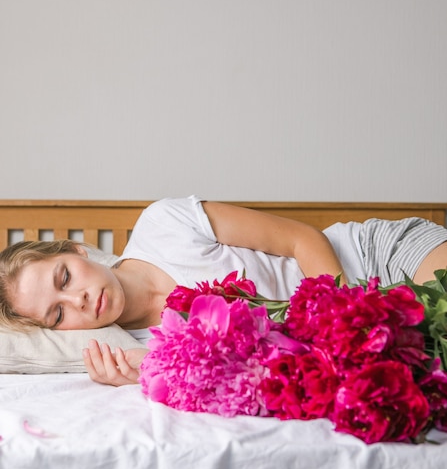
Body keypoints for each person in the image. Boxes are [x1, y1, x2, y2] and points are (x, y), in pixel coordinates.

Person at [1, 195, 447, 387]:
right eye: (58, 315)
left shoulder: (163, 224)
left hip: (372, 259)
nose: (77, 299)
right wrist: (147, 373)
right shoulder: (149, 351)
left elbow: (302, 240)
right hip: (357, 340)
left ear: (78, 250)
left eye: (64, 278)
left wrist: (348, 316)